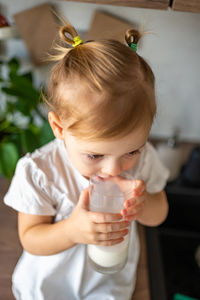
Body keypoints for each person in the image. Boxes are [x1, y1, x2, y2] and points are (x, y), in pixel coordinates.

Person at [4, 21, 169, 300]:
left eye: (131, 151)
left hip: (108, 283)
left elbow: (160, 213)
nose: (115, 169)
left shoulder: (144, 160)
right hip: (49, 285)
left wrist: (144, 205)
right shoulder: (41, 171)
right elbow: (30, 238)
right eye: (95, 155)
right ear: (59, 128)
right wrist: (71, 230)